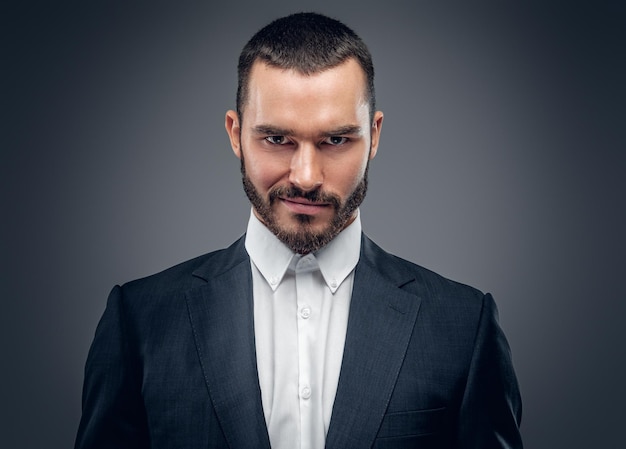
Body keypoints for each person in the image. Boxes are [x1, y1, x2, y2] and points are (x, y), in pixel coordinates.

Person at [75, 12, 522, 449]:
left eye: (335, 140)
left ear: (375, 135)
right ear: (235, 134)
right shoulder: (138, 321)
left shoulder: (464, 325)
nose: (306, 176)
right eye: (276, 139)